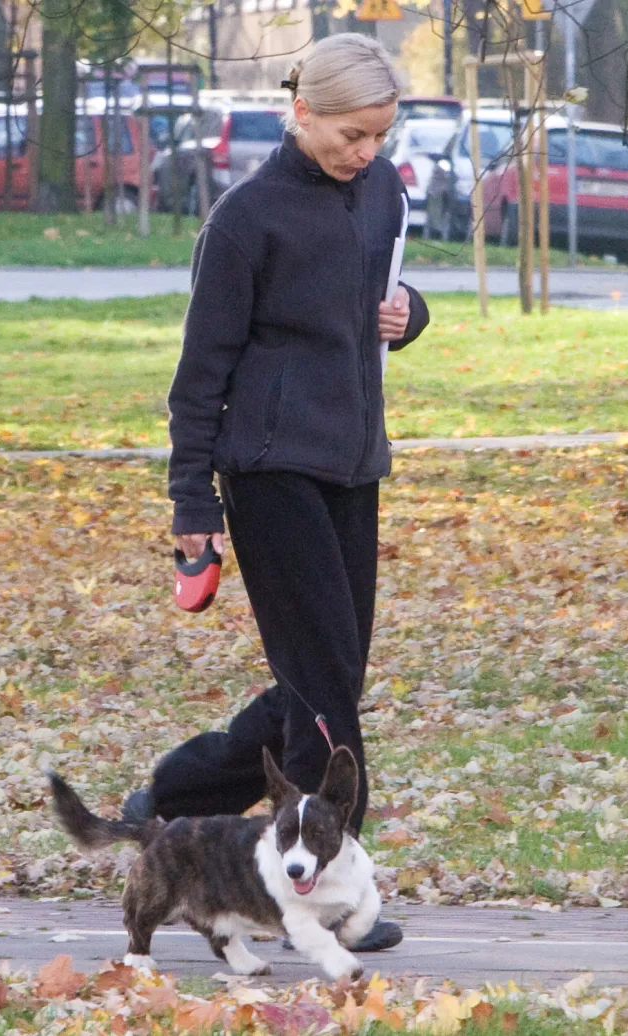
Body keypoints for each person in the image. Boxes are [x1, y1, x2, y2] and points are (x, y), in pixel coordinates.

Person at [123, 33, 430, 953]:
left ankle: (171, 799)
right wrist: (192, 510)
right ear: (301, 111)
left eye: (378, 134)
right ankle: (329, 892)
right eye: (349, 133)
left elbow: (377, 307)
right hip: (266, 474)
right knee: (326, 687)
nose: (365, 152)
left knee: (322, 680)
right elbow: (199, 374)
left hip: (354, 465)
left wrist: (413, 313)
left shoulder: (382, 194)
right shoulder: (246, 218)